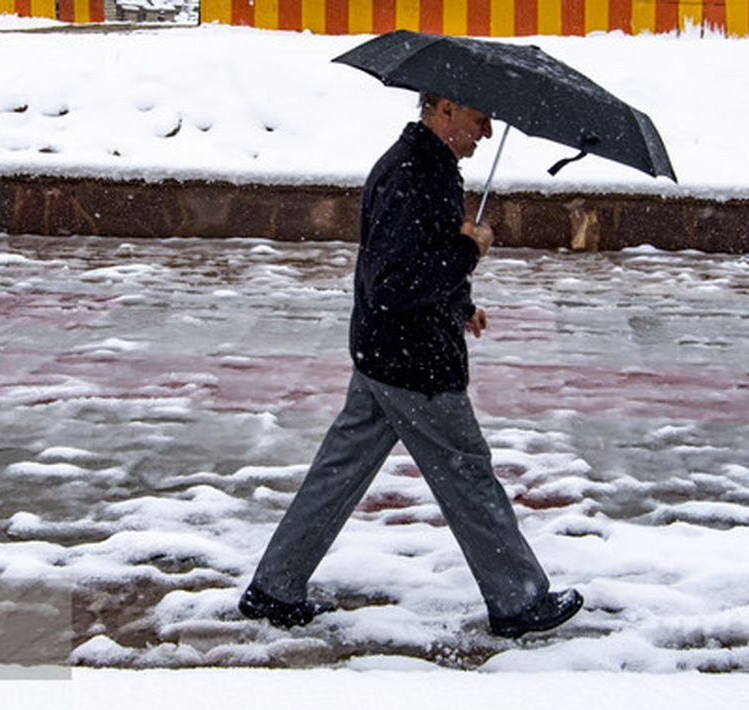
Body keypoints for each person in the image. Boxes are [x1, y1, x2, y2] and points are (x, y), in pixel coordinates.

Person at [238, 92, 582, 638]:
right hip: (413, 362)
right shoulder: (415, 174)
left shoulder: (421, 165)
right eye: (479, 117)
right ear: (444, 108)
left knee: (338, 473)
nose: (487, 132)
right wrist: (470, 251)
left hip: (386, 352)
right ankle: (518, 601)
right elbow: (393, 283)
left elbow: (409, 261)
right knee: (468, 474)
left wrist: (458, 302)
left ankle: (275, 589)